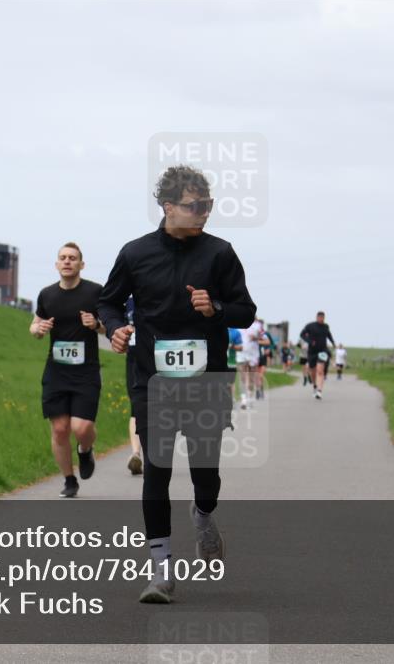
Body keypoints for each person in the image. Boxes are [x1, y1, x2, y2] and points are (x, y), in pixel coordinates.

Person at [99, 165, 256, 604]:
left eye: (208, 204)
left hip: (206, 381)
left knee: (206, 476)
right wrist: (114, 328)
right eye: (195, 205)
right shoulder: (135, 253)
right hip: (152, 380)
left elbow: (246, 311)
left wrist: (216, 308)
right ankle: (162, 570)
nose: (204, 211)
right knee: (157, 468)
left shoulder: (220, 253)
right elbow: (109, 302)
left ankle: (203, 516)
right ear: (168, 206)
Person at [31, 243, 105, 498]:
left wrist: (96, 324)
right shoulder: (47, 294)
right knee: (60, 429)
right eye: (63, 257)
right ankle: (69, 480)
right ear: (56, 264)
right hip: (56, 371)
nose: (67, 261)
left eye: (72, 258)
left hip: (86, 372)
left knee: (82, 428)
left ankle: (85, 450)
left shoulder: (95, 292)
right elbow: (35, 325)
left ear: (81, 264)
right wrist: (38, 330)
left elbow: (109, 326)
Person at [125, 296, 143, 475]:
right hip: (133, 361)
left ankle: (154, 453)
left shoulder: (159, 294)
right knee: (135, 406)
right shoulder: (128, 303)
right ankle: (136, 454)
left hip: (157, 359)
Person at [300, 311, 336, 399]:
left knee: (320, 370)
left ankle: (319, 391)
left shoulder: (326, 326)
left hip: (323, 351)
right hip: (312, 351)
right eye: (319, 317)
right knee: (313, 371)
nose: (321, 319)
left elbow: (329, 335)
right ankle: (315, 386)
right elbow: (302, 335)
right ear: (317, 317)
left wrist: (333, 343)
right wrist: (310, 341)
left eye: (322, 317)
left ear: (324, 318)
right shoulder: (310, 326)